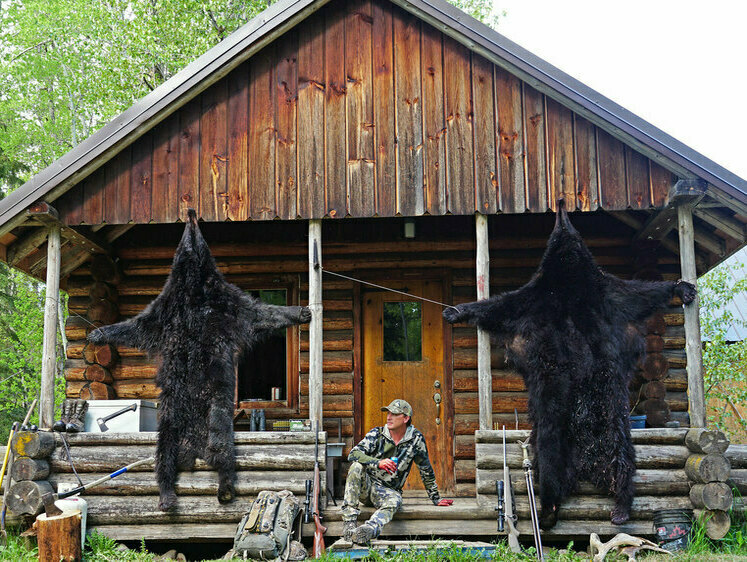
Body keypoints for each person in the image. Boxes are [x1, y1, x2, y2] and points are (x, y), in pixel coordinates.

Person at [341, 399, 453, 544]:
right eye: (388, 413)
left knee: (396, 500)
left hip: (387, 491)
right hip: (366, 486)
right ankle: (349, 524)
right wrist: (378, 462)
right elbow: (353, 454)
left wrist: (435, 498)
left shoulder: (415, 439)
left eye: (394, 414)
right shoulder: (377, 433)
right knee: (356, 466)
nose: (389, 417)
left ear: (406, 418)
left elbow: (425, 469)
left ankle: (368, 530)